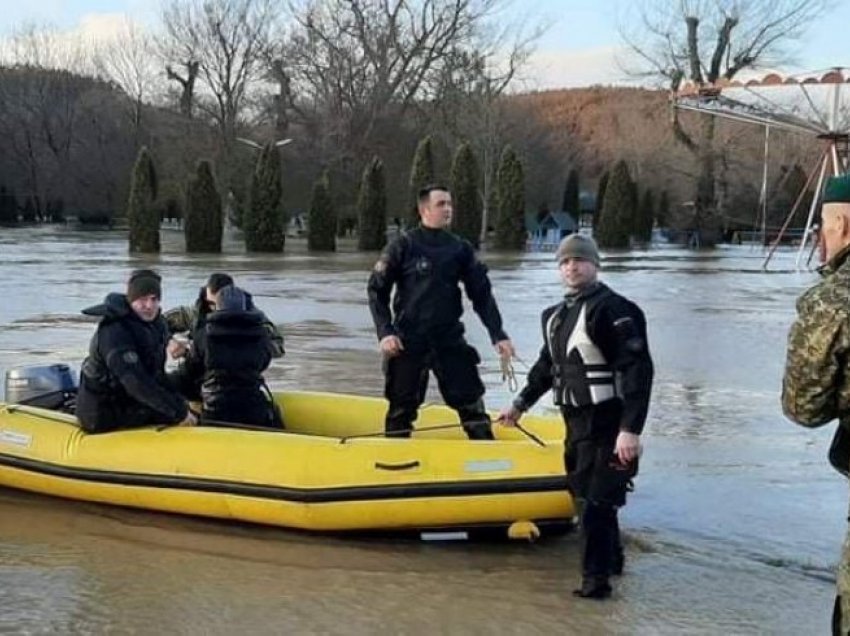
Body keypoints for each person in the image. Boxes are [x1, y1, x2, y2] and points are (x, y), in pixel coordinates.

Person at [498, 234, 653, 600]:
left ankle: (595, 584)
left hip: (609, 422)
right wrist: (520, 404)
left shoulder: (616, 309)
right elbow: (545, 367)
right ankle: (613, 563)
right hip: (575, 423)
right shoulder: (554, 316)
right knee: (587, 497)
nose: (572, 267)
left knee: (597, 503)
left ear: (595, 264)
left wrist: (630, 429)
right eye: (565, 262)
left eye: (580, 260)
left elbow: (638, 371)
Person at [367, 184, 515, 440]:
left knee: (472, 405)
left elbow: (481, 294)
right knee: (401, 409)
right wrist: (385, 332)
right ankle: (394, 462)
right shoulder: (402, 245)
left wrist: (498, 334)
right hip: (407, 340)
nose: (448, 209)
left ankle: (489, 460)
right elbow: (376, 291)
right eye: (441, 204)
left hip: (448, 338)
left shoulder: (460, 249)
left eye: (449, 204)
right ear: (424, 209)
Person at [781, 173, 850, 635]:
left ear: (841, 223)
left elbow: (803, 406)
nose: (820, 239)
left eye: (823, 227)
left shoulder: (833, 301)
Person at [76, 269, 195, 433]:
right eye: (142, 299)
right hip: (102, 412)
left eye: (154, 299)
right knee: (172, 413)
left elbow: (157, 375)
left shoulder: (156, 324)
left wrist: (181, 404)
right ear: (131, 300)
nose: (149, 305)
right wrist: (179, 414)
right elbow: (136, 382)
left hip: (128, 401)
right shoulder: (114, 332)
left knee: (182, 405)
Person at [165, 272, 284, 399]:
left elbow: (278, 347)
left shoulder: (255, 319)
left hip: (240, 381)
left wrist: (251, 347)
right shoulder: (196, 314)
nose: (215, 310)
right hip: (201, 378)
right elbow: (158, 323)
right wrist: (170, 342)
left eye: (219, 305)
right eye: (211, 304)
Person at [181, 284, 281, 429]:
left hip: (217, 411)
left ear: (218, 307)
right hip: (253, 408)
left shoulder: (204, 336)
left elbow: (190, 372)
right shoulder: (262, 335)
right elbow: (263, 362)